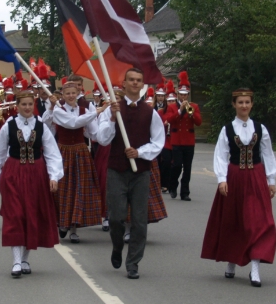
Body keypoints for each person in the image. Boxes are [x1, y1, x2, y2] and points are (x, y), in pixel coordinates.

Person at [0, 84, 64, 277]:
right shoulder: (9, 125)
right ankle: (16, 261)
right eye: (24, 104)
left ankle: (26, 259)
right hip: (13, 173)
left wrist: (53, 176)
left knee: (31, 214)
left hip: (36, 174)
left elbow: (52, 153)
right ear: (17, 106)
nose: (27, 108)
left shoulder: (41, 126)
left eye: (30, 104)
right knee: (15, 215)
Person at [201, 88, 276, 287]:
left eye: (247, 102)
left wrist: (271, 179)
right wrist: (222, 179)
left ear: (252, 104)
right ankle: (232, 261)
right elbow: (221, 155)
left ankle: (255, 267)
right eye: (240, 102)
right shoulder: (227, 129)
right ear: (234, 104)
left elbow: (267, 154)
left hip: (255, 178)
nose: (244, 105)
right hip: (235, 177)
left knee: (257, 221)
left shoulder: (260, 128)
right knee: (233, 221)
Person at [95, 68, 165, 280]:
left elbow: (158, 142)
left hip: (141, 172)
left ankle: (133, 262)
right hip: (116, 170)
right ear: (124, 84)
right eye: (131, 80)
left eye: (138, 81)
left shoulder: (150, 112)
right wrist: (114, 121)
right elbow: (102, 139)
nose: (135, 83)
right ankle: (117, 247)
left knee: (139, 221)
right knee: (115, 218)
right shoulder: (112, 110)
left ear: (142, 85)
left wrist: (140, 152)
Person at [53, 79, 109, 243]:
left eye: (73, 93)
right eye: (67, 93)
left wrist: (110, 123)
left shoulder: (85, 109)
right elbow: (72, 123)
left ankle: (74, 228)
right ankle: (63, 223)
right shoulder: (58, 110)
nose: (71, 96)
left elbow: (93, 133)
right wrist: (97, 112)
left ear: (78, 94)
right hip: (63, 152)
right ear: (63, 95)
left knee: (79, 189)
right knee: (64, 189)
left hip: (80, 152)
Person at [171, 71, 202, 202]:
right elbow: (171, 120)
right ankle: (173, 185)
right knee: (177, 165)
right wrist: (180, 111)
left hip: (189, 141)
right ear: (177, 94)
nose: (183, 97)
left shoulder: (194, 106)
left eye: (185, 95)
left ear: (188, 95)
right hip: (177, 141)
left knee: (187, 168)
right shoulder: (172, 106)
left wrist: (191, 114)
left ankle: (185, 192)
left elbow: (199, 122)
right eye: (181, 94)